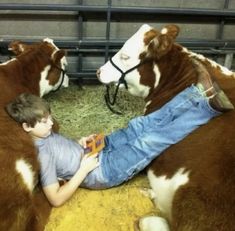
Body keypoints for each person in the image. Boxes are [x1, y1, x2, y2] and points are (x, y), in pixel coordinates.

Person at [5, 82, 232, 207]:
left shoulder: (43, 134)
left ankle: (194, 95)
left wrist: (78, 142)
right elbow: (55, 199)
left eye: (50, 117)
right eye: (44, 122)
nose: (51, 123)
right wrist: (83, 170)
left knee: (138, 126)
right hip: (102, 171)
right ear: (26, 127)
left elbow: (61, 149)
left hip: (95, 150)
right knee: (148, 140)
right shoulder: (41, 155)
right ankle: (208, 108)